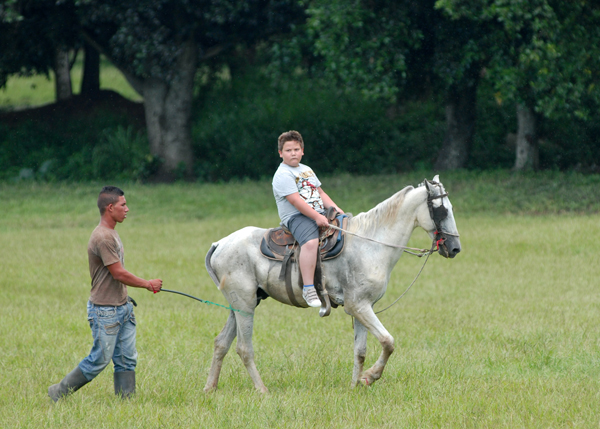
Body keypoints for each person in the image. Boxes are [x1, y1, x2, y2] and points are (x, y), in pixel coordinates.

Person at [48, 186, 162, 402]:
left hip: (122, 307)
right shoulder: (102, 237)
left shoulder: (111, 232)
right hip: (105, 311)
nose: (127, 209)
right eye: (123, 205)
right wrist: (148, 284)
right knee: (99, 359)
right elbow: (118, 273)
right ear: (110, 208)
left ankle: (126, 402)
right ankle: (59, 392)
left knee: (127, 359)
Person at [272, 130, 344, 308]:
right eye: (288, 150)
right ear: (280, 153)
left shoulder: (306, 170)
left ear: (302, 150)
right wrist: (317, 217)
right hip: (297, 217)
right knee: (311, 243)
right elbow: (296, 201)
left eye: (296, 149)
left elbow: (320, 193)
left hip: (318, 212)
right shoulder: (283, 174)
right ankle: (309, 287)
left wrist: (337, 210)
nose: (293, 153)